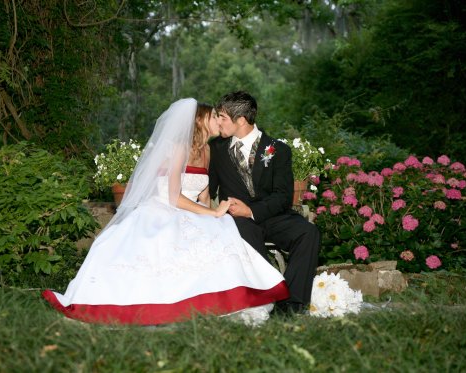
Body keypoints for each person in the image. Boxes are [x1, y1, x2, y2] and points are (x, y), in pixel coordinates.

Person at [42, 98, 289, 326]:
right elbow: (173, 197)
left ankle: (228, 298)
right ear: (200, 120)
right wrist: (212, 215)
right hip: (165, 208)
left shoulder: (208, 150)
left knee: (221, 236)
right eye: (214, 116)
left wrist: (214, 212)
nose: (218, 120)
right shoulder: (179, 148)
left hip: (193, 210)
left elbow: (203, 195)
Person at [208, 91, 320, 314]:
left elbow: (282, 196)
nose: (217, 121)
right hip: (237, 221)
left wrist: (251, 210)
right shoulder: (215, 150)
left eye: (222, 117)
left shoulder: (278, 150)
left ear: (241, 120)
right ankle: (268, 297)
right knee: (243, 234)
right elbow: (208, 188)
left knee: (308, 232)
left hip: (273, 215)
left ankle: (292, 304)